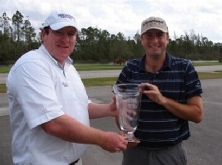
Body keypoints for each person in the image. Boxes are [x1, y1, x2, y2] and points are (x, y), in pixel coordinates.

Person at [6, 10, 128, 165]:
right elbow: (52, 123)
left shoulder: (69, 68)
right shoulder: (31, 65)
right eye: (59, 32)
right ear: (44, 34)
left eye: (71, 34)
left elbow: (81, 106)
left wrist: (109, 109)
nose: (65, 39)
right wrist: (103, 139)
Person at [115, 16, 203, 165]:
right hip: (135, 153)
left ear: (167, 38)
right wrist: (124, 126)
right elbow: (119, 113)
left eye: (159, 35)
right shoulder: (130, 69)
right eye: (149, 35)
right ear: (141, 39)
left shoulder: (185, 68)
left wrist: (163, 100)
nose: (154, 41)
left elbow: (197, 114)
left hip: (170, 153)